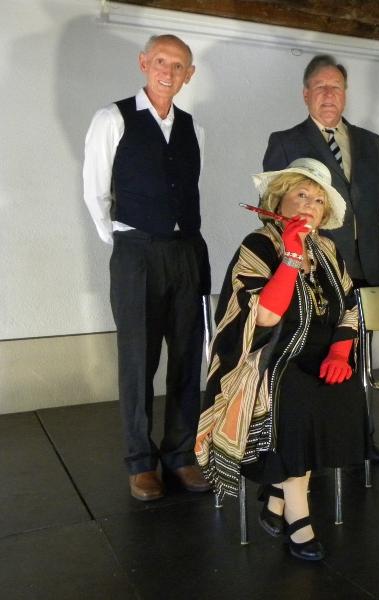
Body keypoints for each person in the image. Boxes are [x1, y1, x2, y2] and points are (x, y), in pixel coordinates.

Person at [196, 158, 366, 562]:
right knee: (295, 398)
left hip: (320, 355)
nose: (309, 205)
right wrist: (290, 256)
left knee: (343, 393)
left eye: (319, 200)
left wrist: (340, 351)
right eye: (301, 194)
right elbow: (267, 316)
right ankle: (299, 520)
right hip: (268, 359)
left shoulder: (327, 248)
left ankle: (278, 490)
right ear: (278, 200)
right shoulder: (259, 244)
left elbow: (349, 306)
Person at [83, 34, 210, 501]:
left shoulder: (194, 128)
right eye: (160, 61)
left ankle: (180, 453)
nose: (167, 72)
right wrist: (126, 240)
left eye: (178, 66)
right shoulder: (112, 118)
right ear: (143, 63)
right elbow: (95, 191)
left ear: (188, 75)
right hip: (136, 251)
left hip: (186, 251)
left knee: (187, 356)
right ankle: (140, 462)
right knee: (138, 359)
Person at [262, 54, 379, 464]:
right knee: (313, 355)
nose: (329, 94)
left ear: (345, 93)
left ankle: (359, 440)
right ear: (306, 94)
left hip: (367, 266)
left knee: (358, 357)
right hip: (313, 270)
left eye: (336, 87)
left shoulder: (371, 142)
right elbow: (274, 211)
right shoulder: (285, 141)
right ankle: (313, 444)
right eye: (320, 87)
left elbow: (373, 209)